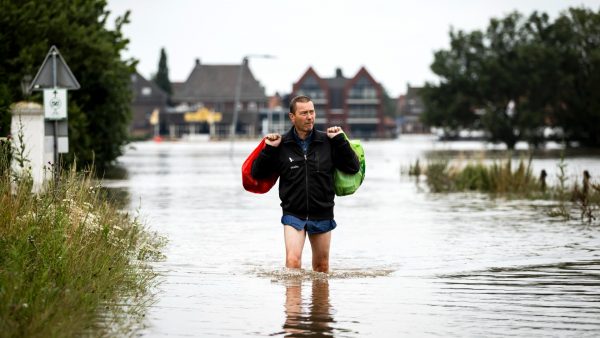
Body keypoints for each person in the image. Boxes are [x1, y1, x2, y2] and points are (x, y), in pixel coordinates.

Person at [251, 95, 360, 273]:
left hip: (322, 211)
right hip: (293, 212)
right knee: (292, 263)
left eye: (312, 112)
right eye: (304, 113)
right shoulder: (281, 144)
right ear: (292, 117)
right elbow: (258, 174)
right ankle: (293, 302)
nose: (309, 117)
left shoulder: (328, 142)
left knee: (321, 267)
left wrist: (340, 139)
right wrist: (269, 148)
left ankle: (320, 302)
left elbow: (353, 167)